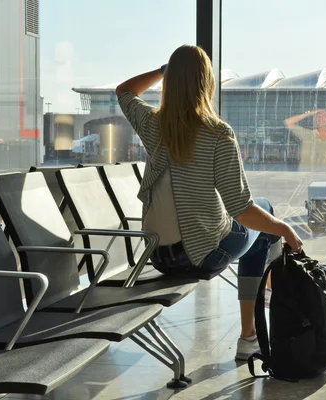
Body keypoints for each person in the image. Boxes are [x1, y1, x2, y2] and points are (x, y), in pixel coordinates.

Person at [115, 45, 302, 361]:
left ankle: (263, 297)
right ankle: (251, 329)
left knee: (262, 218)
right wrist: (285, 230)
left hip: (159, 255)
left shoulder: (152, 125)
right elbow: (241, 209)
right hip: (202, 255)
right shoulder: (218, 134)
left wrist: (165, 71)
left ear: (170, 82)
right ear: (208, 82)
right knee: (266, 216)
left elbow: (125, 91)